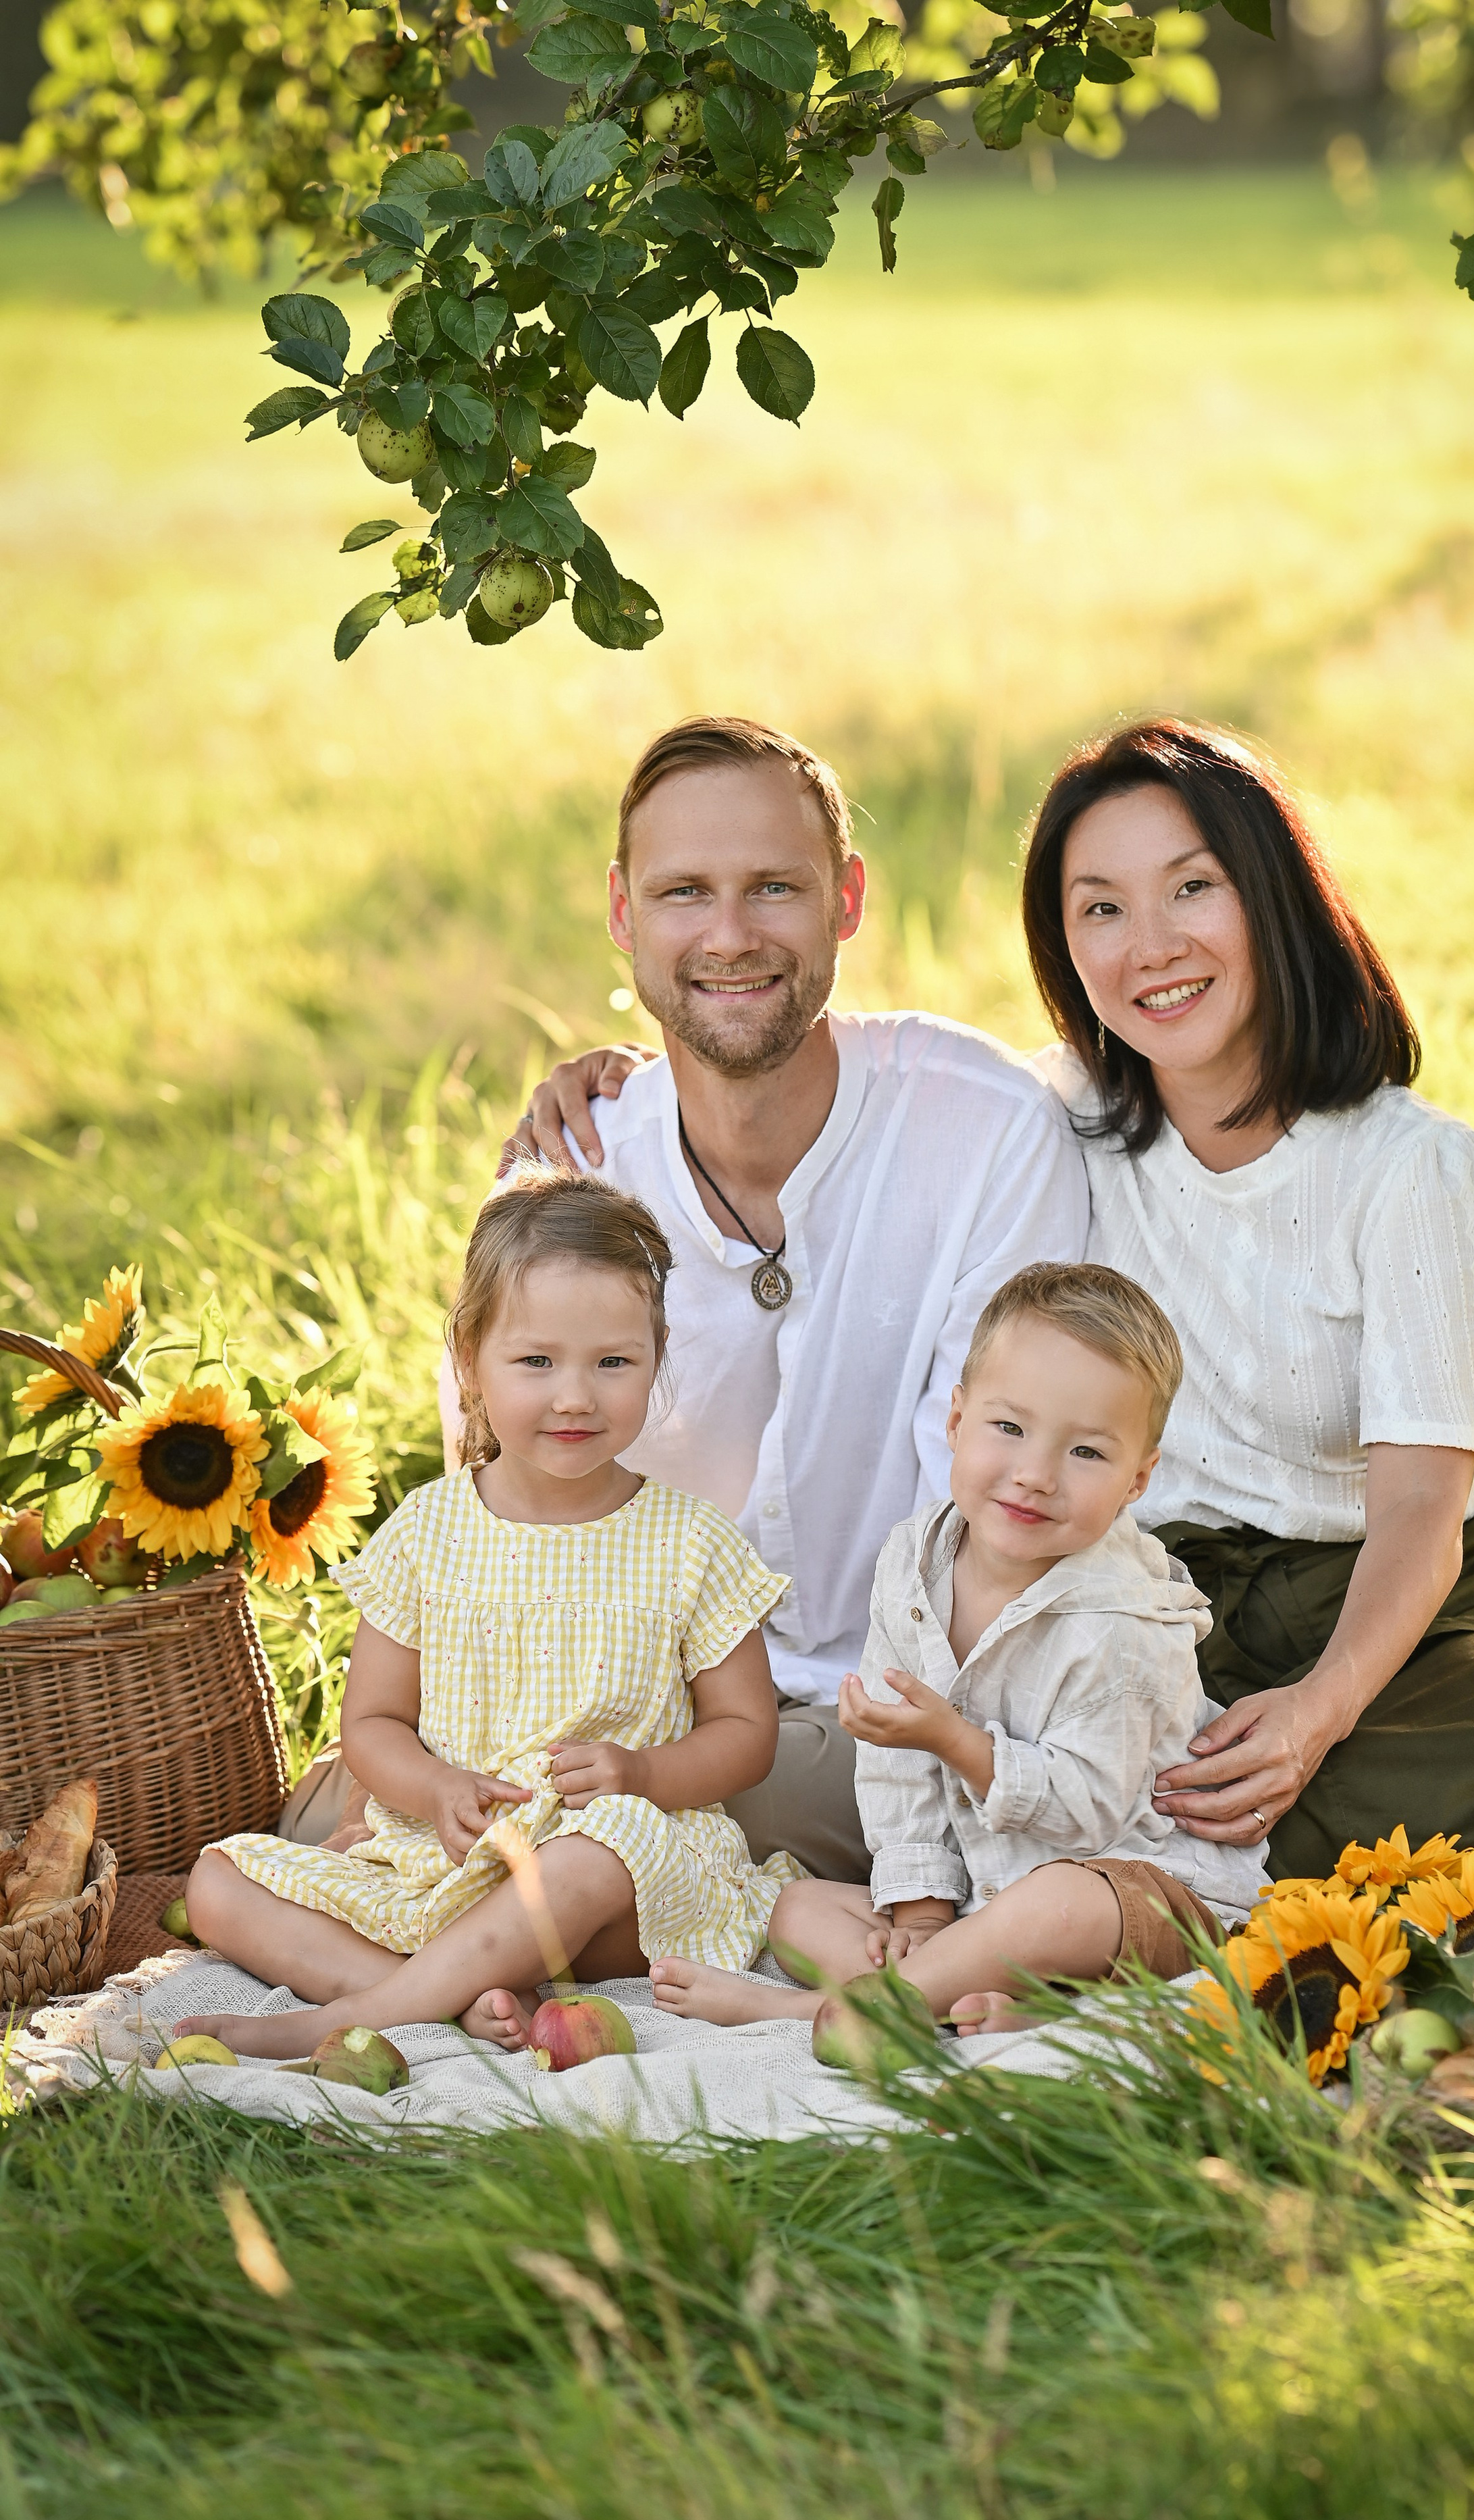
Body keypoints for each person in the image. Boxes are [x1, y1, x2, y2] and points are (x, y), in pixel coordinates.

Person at [305, 714, 1088, 1880]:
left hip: (893, 1715)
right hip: (603, 1709)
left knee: (517, 1846)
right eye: (684, 892)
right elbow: (497, 1501)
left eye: (775, 886)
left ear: (847, 900)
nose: (730, 935)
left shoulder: (985, 1134)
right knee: (331, 1824)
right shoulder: (571, 1169)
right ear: (624, 915)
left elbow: (984, 1533)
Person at [1018, 717, 1474, 1880]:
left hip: (1409, 1599)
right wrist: (632, 1079)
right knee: (1135, 1791)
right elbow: (860, 1089)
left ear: (1275, 895)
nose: (1149, 946)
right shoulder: (1051, 1123)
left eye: (1194, 887)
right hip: (1171, 1601)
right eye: (1101, 907)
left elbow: (1416, 1516)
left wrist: (1314, 1710)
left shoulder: (1413, 1169)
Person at [174, 1168, 796, 2059]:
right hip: (447, 1859)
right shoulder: (428, 1529)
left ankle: (346, 2018)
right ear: (469, 1361)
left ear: (655, 1359)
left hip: (618, 1877)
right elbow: (374, 1722)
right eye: (536, 1361)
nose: (574, 1395)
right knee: (218, 1881)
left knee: (586, 1858)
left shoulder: (689, 1542)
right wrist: (435, 1789)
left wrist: (644, 1777)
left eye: (612, 1362)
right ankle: (435, 1994)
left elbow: (748, 1729)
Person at [650, 1262, 1266, 2032]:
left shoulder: (1128, 1621)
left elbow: (1088, 1810)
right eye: (1008, 1428)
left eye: (1087, 1453)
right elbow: (895, 1761)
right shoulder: (913, 1562)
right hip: (983, 1891)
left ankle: (826, 2009)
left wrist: (959, 1741)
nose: (1035, 1475)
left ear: (1138, 1480)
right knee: (799, 1908)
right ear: (956, 1422)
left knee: (1059, 1905)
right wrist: (923, 1915)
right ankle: (975, 1998)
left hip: (1131, 1894)